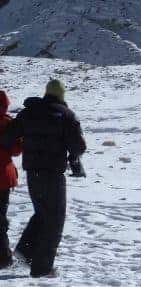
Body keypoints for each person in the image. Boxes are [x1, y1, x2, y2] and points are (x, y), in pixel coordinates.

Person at [4, 80, 86, 278]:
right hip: (53, 174)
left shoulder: (30, 112)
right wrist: (71, 158)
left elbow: (7, 138)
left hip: (33, 173)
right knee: (54, 219)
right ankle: (42, 268)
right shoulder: (66, 115)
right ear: (61, 95)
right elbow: (79, 147)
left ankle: (26, 251)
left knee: (42, 213)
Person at [0, 91, 22, 268]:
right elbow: (16, 151)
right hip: (4, 176)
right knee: (1, 217)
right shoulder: (9, 123)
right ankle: (4, 256)